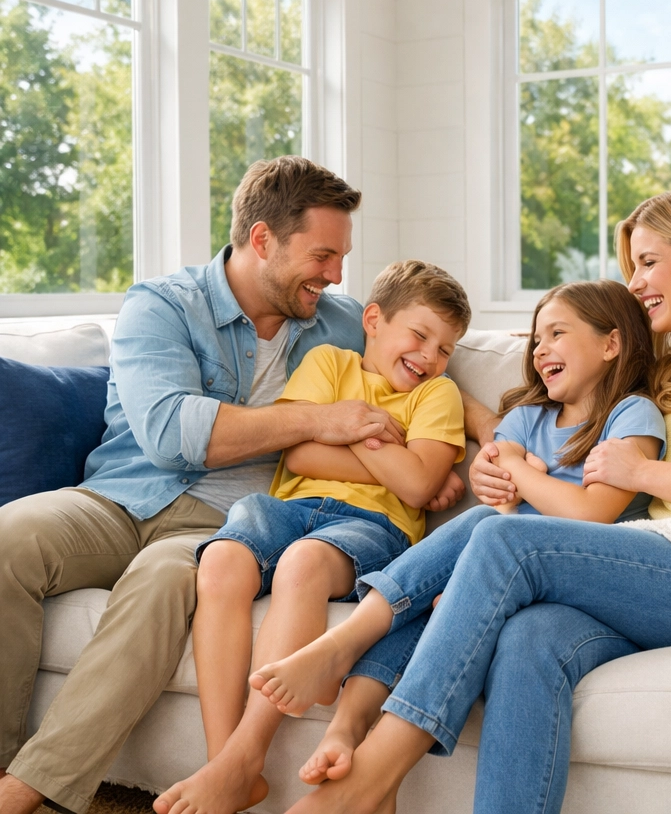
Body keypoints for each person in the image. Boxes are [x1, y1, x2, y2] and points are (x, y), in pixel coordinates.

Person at [257, 185, 671, 814]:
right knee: (530, 639)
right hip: (646, 566)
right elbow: (551, 407)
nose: (635, 284)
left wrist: (643, 474)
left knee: (502, 538)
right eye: (633, 268)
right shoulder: (668, 375)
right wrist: (493, 446)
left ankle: (369, 775)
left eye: (649, 263)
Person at [0, 157, 465, 814]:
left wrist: (475, 437)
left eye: (341, 259)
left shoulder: (334, 320)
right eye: (324, 255)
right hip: (117, 496)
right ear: (262, 240)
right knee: (7, 537)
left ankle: (31, 789)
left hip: (217, 519)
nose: (335, 276)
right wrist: (317, 418)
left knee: (164, 582)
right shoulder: (163, 305)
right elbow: (168, 432)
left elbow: (421, 363)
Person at [235, 280, 666, 804]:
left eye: (557, 333)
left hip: (581, 575)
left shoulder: (632, 415)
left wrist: (511, 468)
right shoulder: (527, 418)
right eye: (535, 339)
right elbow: (503, 502)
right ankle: (347, 729)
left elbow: (588, 514)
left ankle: (338, 649)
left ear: (611, 344)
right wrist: (504, 480)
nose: (540, 348)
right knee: (439, 598)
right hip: (511, 574)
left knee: (488, 528)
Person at [152, 260, 472, 814]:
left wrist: (350, 429)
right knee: (221, 562)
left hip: (373, 526)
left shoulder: (436, 396)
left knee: (302, 563)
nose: (430, 356)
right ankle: (223, 763)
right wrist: (381, 445)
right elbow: (298, 450)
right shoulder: (329, 362)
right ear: (373, 319)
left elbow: (419, 487)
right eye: (420, 335)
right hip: (286, 506)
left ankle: (246, 755)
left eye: (445, 348)